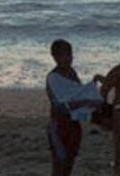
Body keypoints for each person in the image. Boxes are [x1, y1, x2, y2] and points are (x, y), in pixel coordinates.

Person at [45, 38, 105, 176]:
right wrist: (87, 102)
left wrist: (93, 87)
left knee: (70, 162)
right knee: (60, 164)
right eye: (63, 56)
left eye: (70, 55)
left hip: (73, 124)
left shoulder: (71, 73)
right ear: (55, 57)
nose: (68, 59)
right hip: (59, 125)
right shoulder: (53, 77)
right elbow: (62, 105)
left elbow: (78, 93)